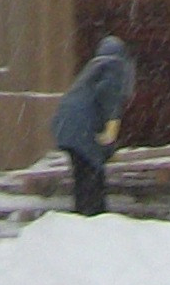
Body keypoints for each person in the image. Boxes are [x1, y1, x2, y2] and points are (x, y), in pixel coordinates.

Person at [51, 34, 135, 215]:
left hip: (65, 125)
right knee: (92, 173)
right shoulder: (115, 66)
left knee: (82, 172)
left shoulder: (94, 68)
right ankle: (93, 215)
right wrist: (111, 133)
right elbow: (108, 97)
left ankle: (83, 213)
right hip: (82, 128)